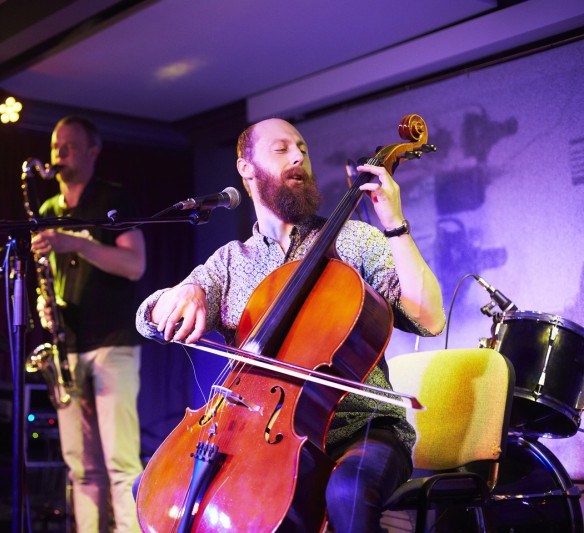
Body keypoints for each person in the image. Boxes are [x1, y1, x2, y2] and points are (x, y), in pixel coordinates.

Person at [134, 117, 445, 532]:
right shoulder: (230, 262)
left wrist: (394, 224)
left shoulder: (355, 240)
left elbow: (428, 320)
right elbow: (148, 321)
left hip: (361, 430)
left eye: (302, 149)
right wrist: (182, 293)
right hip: (252, 434)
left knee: (348, 492)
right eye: (281, 149)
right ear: (246, 168)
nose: (298, 157)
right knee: (154, 487)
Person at [31, 116, 145, 533]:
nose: (58, 153)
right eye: (54, 145)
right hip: (67, 348)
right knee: (81, 468)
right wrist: (44, 305)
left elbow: (134, 264)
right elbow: (47, 279)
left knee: (120, 464)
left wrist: (76, 242)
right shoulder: (47, 211)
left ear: (93, 152)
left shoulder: (114, 200)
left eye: (69, 145)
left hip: (112, 342)